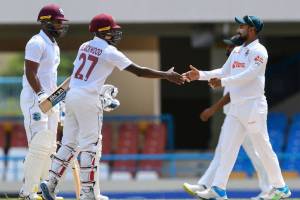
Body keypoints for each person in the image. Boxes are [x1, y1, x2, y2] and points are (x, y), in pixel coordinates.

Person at [40, 13, 185, 200]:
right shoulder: (109, 51)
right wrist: (166, 75)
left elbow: (76, 75)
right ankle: (88, 193)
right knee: (90, 146)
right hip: (88, 99)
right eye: (111, 31)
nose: (114, 34)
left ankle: (50, 182)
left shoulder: (84, 46)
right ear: (102, 32)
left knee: (69, 143)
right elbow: (139, 72)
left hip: (73, 96)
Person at [182, 15, 291, 200]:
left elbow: (249, 75)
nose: (238, 29)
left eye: (242, 26)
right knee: (228, 149)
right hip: (236, 108)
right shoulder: (237, 51)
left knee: (263, 148)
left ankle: (281, 188)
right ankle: (218, 188)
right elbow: (223, 71)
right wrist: (200, 75)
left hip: (253, 105)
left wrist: (223, 81)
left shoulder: (260, 51)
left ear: (252, 30)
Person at [19, 4, 68, 200]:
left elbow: (50, 77)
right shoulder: (36, 42)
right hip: (35, 99)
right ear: (46, 22)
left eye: (61, 22)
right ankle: (27, 192)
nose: (60, 25)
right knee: (38, 146)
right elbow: (31, 71)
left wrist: (58, 100)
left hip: (51, 100)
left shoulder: (53, 45)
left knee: (50, 147)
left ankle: (43, 190)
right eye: (57, 22)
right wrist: (40, 93)